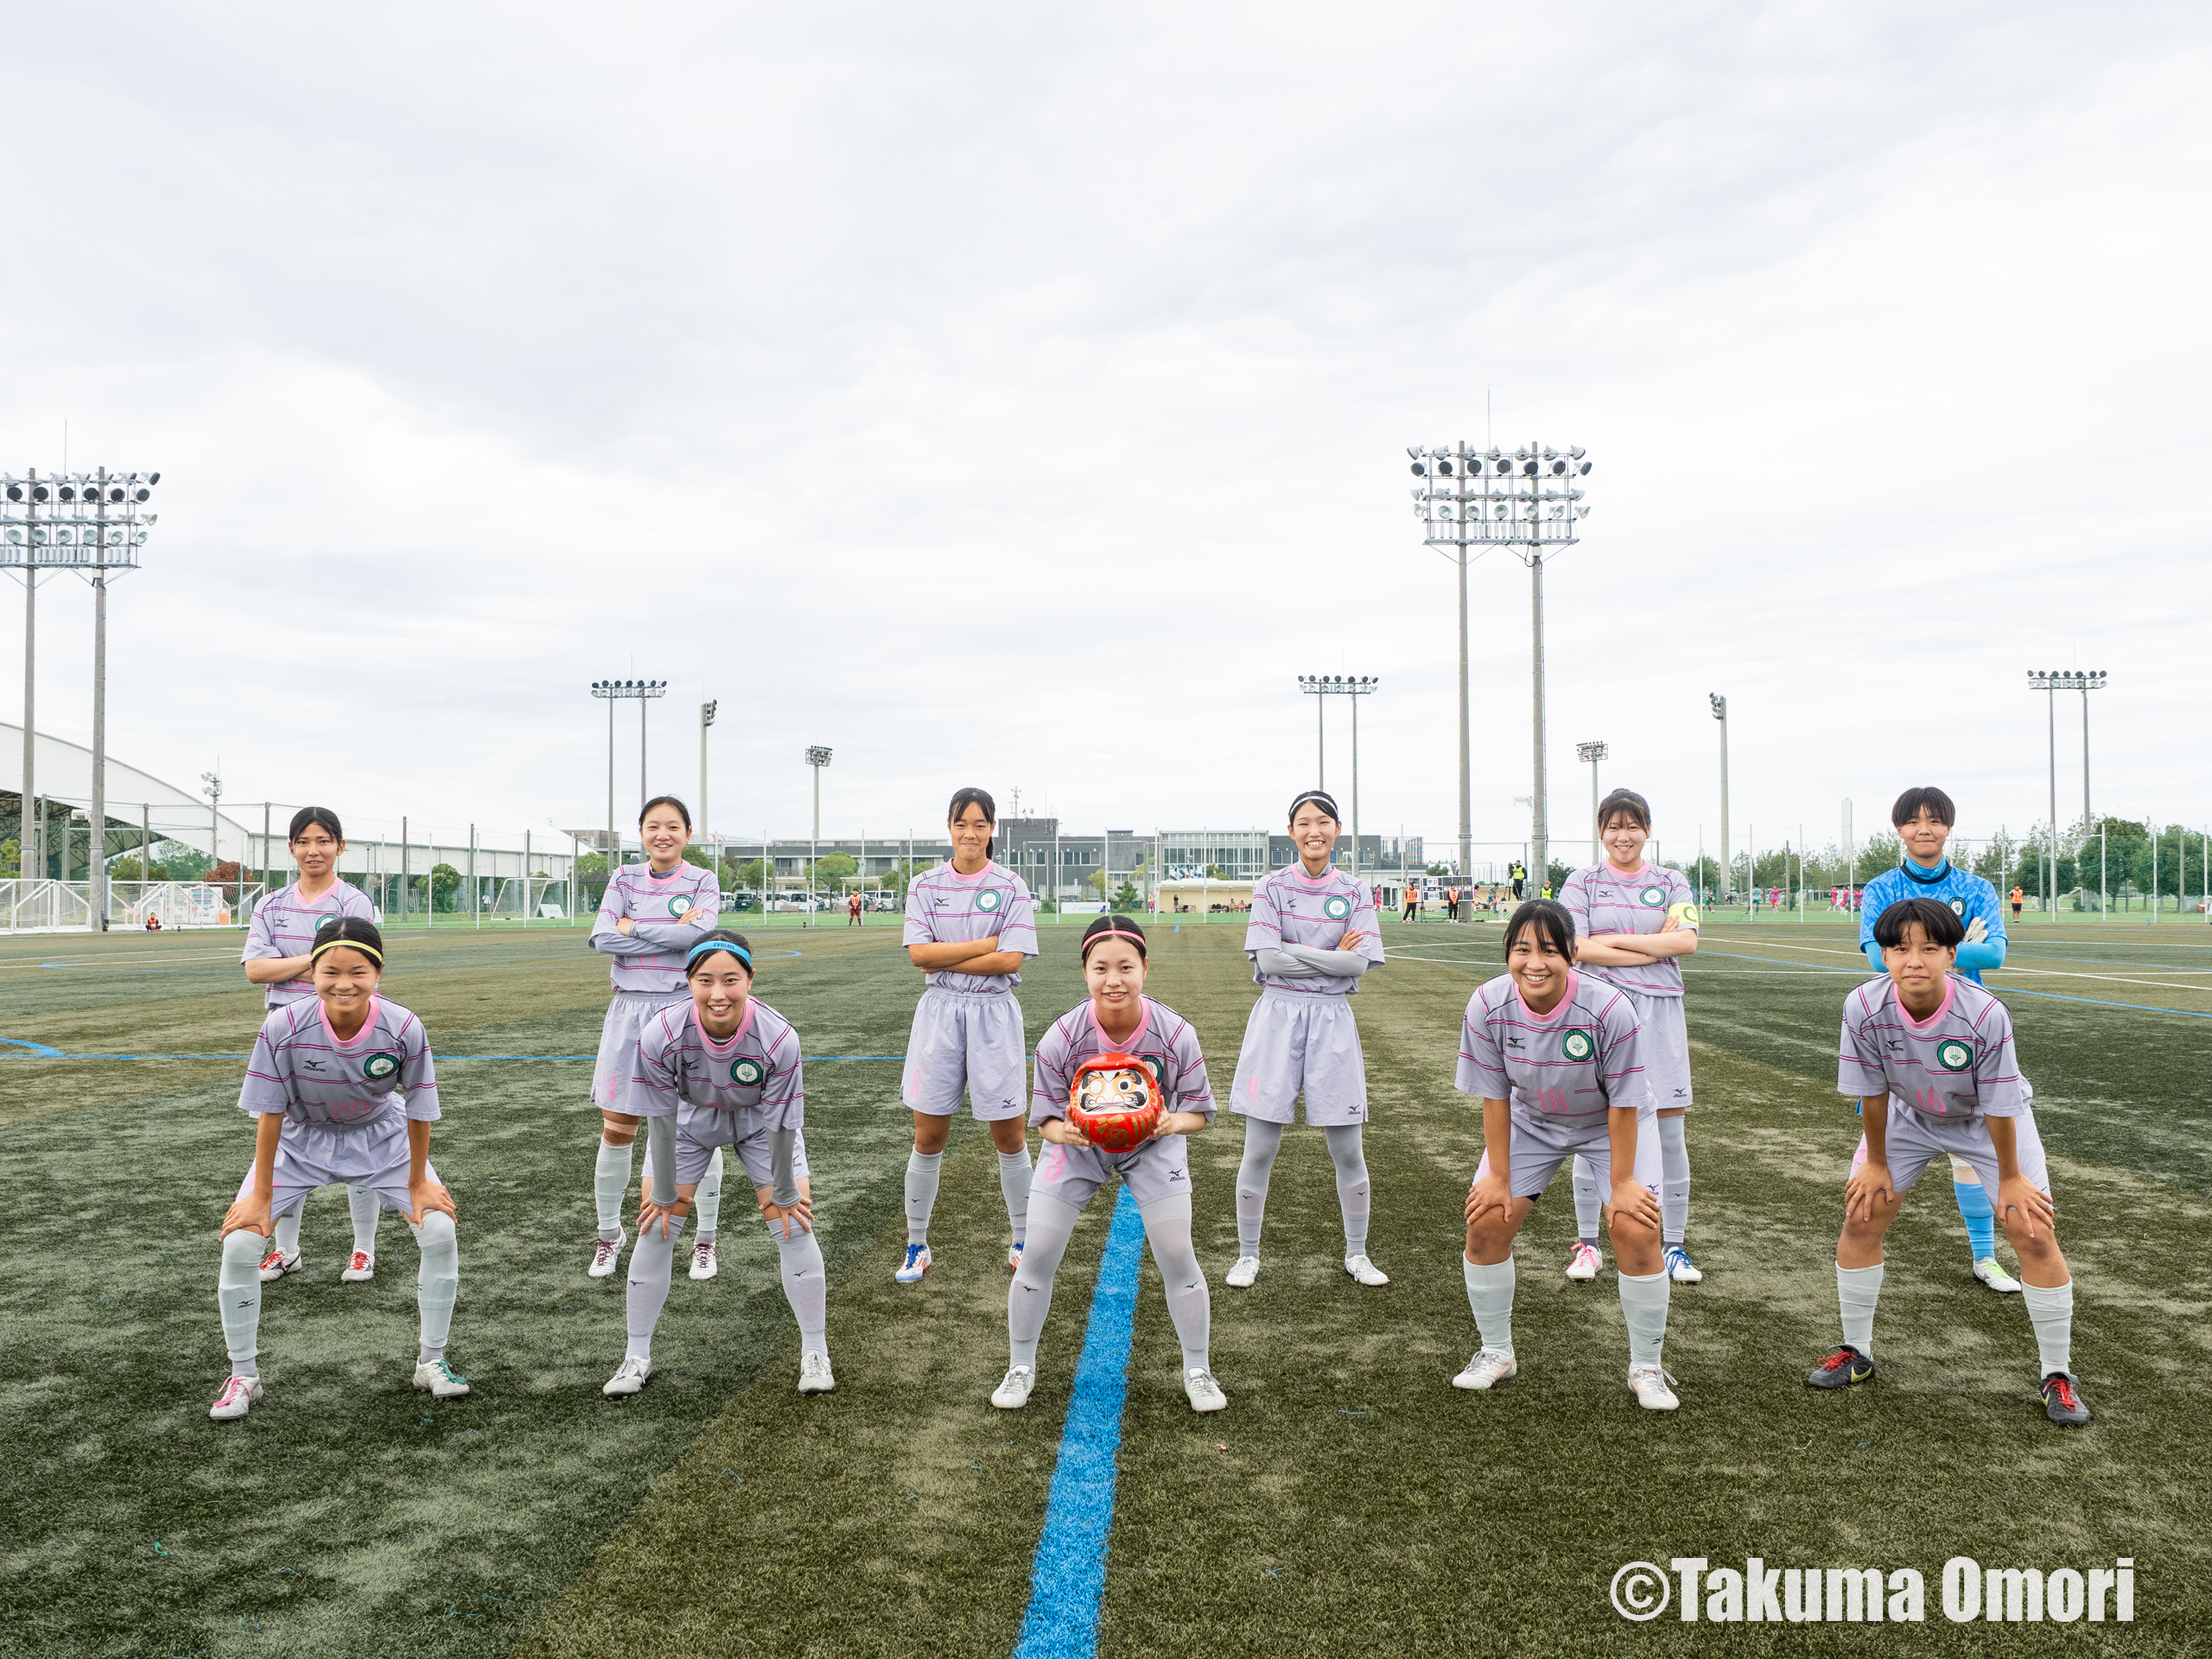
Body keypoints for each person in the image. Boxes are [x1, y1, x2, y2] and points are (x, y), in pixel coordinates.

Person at [1808, 898, 2088, 1425]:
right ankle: (1855, 1351)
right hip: (1908, 1115)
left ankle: (2057, 1375)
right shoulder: (1862, 1005)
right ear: (1883, 955)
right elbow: (1871, 1091)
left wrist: (2010, 1179)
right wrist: (1876, 1162)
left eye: (1930, 948)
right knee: (1863, 1213)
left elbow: (2000, 1104)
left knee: (2031, 1229)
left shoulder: (1984, 1013)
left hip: (1986, 1121)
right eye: (1900, 949)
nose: (1914, 960)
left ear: (1952, 955)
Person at [209, 918, 465, 1419]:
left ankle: (432, 1361)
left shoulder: (404, 1026)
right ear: (311, 972)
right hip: (300, 1138)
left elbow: (419, 1108)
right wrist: (261, 1196)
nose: (344, 983)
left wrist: (417, 1182)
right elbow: (270, 1113)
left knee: (439, 1231)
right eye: (330, 971)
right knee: (239, 1244)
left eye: (358, 972)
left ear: (378, 973)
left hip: (380, 1135)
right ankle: (243, 1376)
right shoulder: (282, 1026)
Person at [1452, 900, 1677, 1409]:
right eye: (1522, 949)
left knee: (1635, 1227)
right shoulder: (1486, 1004)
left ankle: (1647, 1366)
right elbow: (1495, 1098)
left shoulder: (1610, 1008)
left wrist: (1622, 1185)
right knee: (1486, 1220)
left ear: (1573, 954)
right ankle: (1496, 1352)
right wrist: (1498, 1178)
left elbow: (1624, 1102)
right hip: (1532, 1121)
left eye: (1550, 951)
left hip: (1609, 1123)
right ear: (1507, 952)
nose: (1535, 963)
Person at [993, 915, 1223, 1414]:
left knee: (1176, 1251)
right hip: (1078, 1146)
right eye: (1101, 968)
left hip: (1153, 1143)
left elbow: (1200, 1114)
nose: (1113, 980)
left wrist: (1170, 1122)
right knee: (1038, 1251)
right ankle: (1019, 1366)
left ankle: (1199, 1370)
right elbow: (1044, 1120)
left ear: (1145, 968)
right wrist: (1063, 1132)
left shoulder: (1176, 1033)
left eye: (1125, 967)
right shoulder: (1061, 1037)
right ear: (1085, 971)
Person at [603, 931, 831, 1399]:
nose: (718, 993)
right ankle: (636, 1356)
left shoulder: (779, 1037)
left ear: (750, 979)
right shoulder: (661, 1033)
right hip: (689, 1121)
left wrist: (785, 1191)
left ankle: (815, 1352)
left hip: (760, 1123)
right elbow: (661, 1116)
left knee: (792, 1222)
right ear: (688, 980)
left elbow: (782, 1121)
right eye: (705, 980)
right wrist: (664, 1192)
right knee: (657, 1223)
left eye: (731, 979)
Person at [1856, 786, 2018, 1294]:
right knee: (1878, 1151)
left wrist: (1934, 952)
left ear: (1949, 826)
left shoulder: (1976, 887)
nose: (1923, 829)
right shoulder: (1881, 888)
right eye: (1913, 821)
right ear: (1898, 829)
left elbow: (1996, 956)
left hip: (1965, 1024)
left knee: (1971, 1148)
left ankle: (1985, 1257)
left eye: (1934, 820)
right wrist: (1957, 945)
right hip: (1899, 1026)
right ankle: (1861, 1254)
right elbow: (1874, 957)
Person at [1224, 790, 1388, 1290]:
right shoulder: (1271, 887)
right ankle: (1247, 1254)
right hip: (1277, 1016)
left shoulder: (1356, 890)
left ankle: (1357, 1253)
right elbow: (1267, 961)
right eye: (1303, 822)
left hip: (1333, 1020)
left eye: (1323, 822)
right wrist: (1331, 955)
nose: (1313, 830)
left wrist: (1295, 949)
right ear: (1292, 832)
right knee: (1259, 1148)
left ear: (1336, 829)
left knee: (1348, 1150)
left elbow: (1358, 964)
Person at [1559, 790, 1702, 1285]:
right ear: (1601, 831)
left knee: (1668, 1133)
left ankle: (1675, 1246)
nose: (1624, 836)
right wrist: (1652, 948)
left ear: (1647, 830)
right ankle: (1588, 1245)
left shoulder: (1671, 881)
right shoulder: (1581, 882)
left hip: (1660, 1012)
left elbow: (1686, 941)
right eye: (1614, 826)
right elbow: (1575, 948)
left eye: (1633, 826)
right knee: (1593, 1129)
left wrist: (1613, 941)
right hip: (1596, 1011)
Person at [896, 787, 1039, 1282]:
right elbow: (919, 956)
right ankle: (917, 1245)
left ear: (992, 829)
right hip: (939, 1013)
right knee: (928, 1135)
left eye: (980, 824)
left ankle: (1023, 1240)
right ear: (950, 827)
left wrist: (947, 954)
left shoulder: (1012, 886)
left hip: (994, 1014)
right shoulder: (924, 885)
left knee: (1010, 1135)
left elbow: (1011, 959)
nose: (970, 833)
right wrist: (984, 945)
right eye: (962, 824)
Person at [238, 806, 383, 1285]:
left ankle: (363, 1249)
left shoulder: (355, 902)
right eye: (304, 841)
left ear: (340, 846)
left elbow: (358, 970)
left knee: (359, 1134)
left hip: (344, 1030)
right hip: (284, 1032)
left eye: (323, 840)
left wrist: (298, 966)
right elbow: (255, 969)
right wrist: (320, 960)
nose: (313, 850)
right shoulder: (271, 905)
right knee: (286, 1138)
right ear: (291, 847)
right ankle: (286, 1250)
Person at [585, 798, 722, 1281]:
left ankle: (705, 1240)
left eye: (673, 826)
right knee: (617, 1127)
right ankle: (609, 1236)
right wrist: (669, 933)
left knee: (698, 1126)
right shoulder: (623, 877)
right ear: (641, 832)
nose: (663, 834)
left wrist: (635, 928)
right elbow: (603, 938)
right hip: (629, 1008)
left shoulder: (703, 880)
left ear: (688, 833)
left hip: (682, 1010)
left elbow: (700, 936)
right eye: (653, 826)